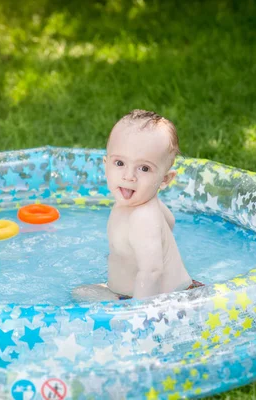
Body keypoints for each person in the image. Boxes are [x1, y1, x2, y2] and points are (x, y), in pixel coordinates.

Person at [72, 110, 202, 301]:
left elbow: (151, 272)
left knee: (81, 296)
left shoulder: (143, 217)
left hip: (163, 301)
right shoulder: (146, 202)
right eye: (119, 163)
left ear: (164, 179)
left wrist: (137, 318)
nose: (129, 176)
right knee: (82, 292)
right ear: (106, 165)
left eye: (144, 168)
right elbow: (170, 221)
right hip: (162, 291)